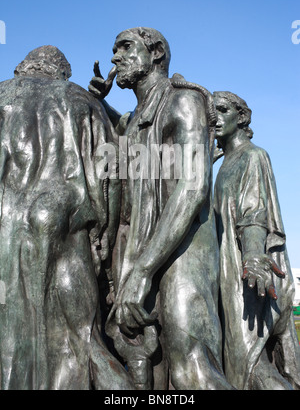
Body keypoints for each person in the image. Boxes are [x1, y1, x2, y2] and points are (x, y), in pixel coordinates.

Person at [89, 27, 233, 390]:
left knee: (191, 371)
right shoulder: (133, 119)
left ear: (155, 54)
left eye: (125, 47)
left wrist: (143, 271)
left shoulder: (184, 102)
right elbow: (126, 132)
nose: (114, 58)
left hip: (182, 252)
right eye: (114, 50)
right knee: (149, 372)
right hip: (142, 252)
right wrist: (101, 105)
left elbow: (193, 187)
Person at [0, 46, 134, 390]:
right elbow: (111, 172)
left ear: (21, 69)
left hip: (7, 224)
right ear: (63, 74)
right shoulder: (81, 101)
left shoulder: (3, 95)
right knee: (83, 338)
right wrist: (104, 232)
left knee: (12, 338)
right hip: (66, 218)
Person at [213, 91, 300, 390]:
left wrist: (252, 257)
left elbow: (254, 214)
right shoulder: (225, 165)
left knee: (250, 368)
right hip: (236, 273)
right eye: (211, 113)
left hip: (250, 276)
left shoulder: (252, 155)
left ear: (241, 117)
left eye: (222, 110)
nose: (215, 118)